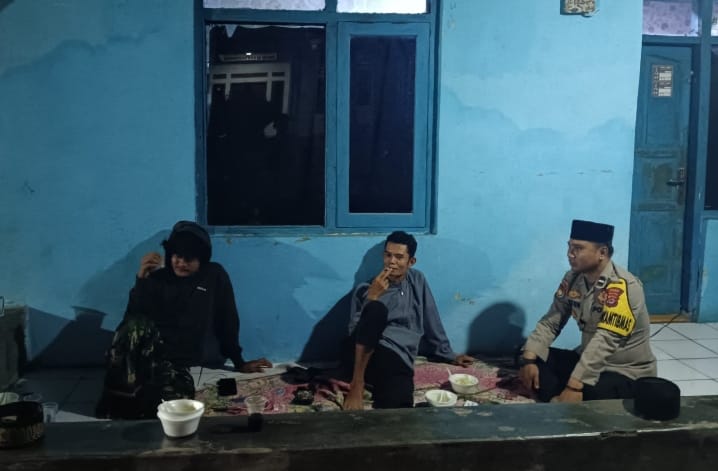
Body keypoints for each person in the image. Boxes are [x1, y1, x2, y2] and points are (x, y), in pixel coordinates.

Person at [96, 220, 271, 418]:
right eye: (177, 256)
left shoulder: (214, 275)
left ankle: (141, 396)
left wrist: (239, 362)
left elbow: (227, 320)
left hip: (178, 364)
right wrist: (142, 280)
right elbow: (130, 325)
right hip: (149, 357)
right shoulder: (158, 278)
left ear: (202, 259)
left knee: (175, 407)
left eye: (189, 259)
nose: (181, 263)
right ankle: (117, 398)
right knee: (135, 326)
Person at [519, 220, 656, 403]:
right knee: (526, 352)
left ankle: (560, 397)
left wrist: (574, 385)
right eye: (569, 247)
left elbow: (605, 340)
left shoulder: (623, 286)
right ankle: (559, 400)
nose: (570, 254)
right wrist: (529, 361)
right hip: (586, 359)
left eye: (578, 248)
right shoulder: (573, 278)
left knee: (590, 392)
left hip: (623, 370)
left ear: (602, 253)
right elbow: (551, 321)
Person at [344, 231, 475, 410]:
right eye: (388, 255)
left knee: (400, 402)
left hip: (396, 355)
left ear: (411, 261)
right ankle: (357, 384)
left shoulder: (417, 280)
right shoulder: (366, 288)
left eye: (399, 257)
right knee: (376, 309)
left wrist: (449, 354)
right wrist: (372, 297)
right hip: (364, 352)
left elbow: (431, 318)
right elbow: (354, 331)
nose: (391, 262)